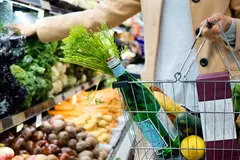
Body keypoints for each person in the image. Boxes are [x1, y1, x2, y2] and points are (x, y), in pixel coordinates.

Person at [9, 0, 240, 159]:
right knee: (166, 154)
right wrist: (39, 26)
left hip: (217, 93)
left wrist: (229, 28)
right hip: (160, 95)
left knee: (220, 153)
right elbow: (100, 16)